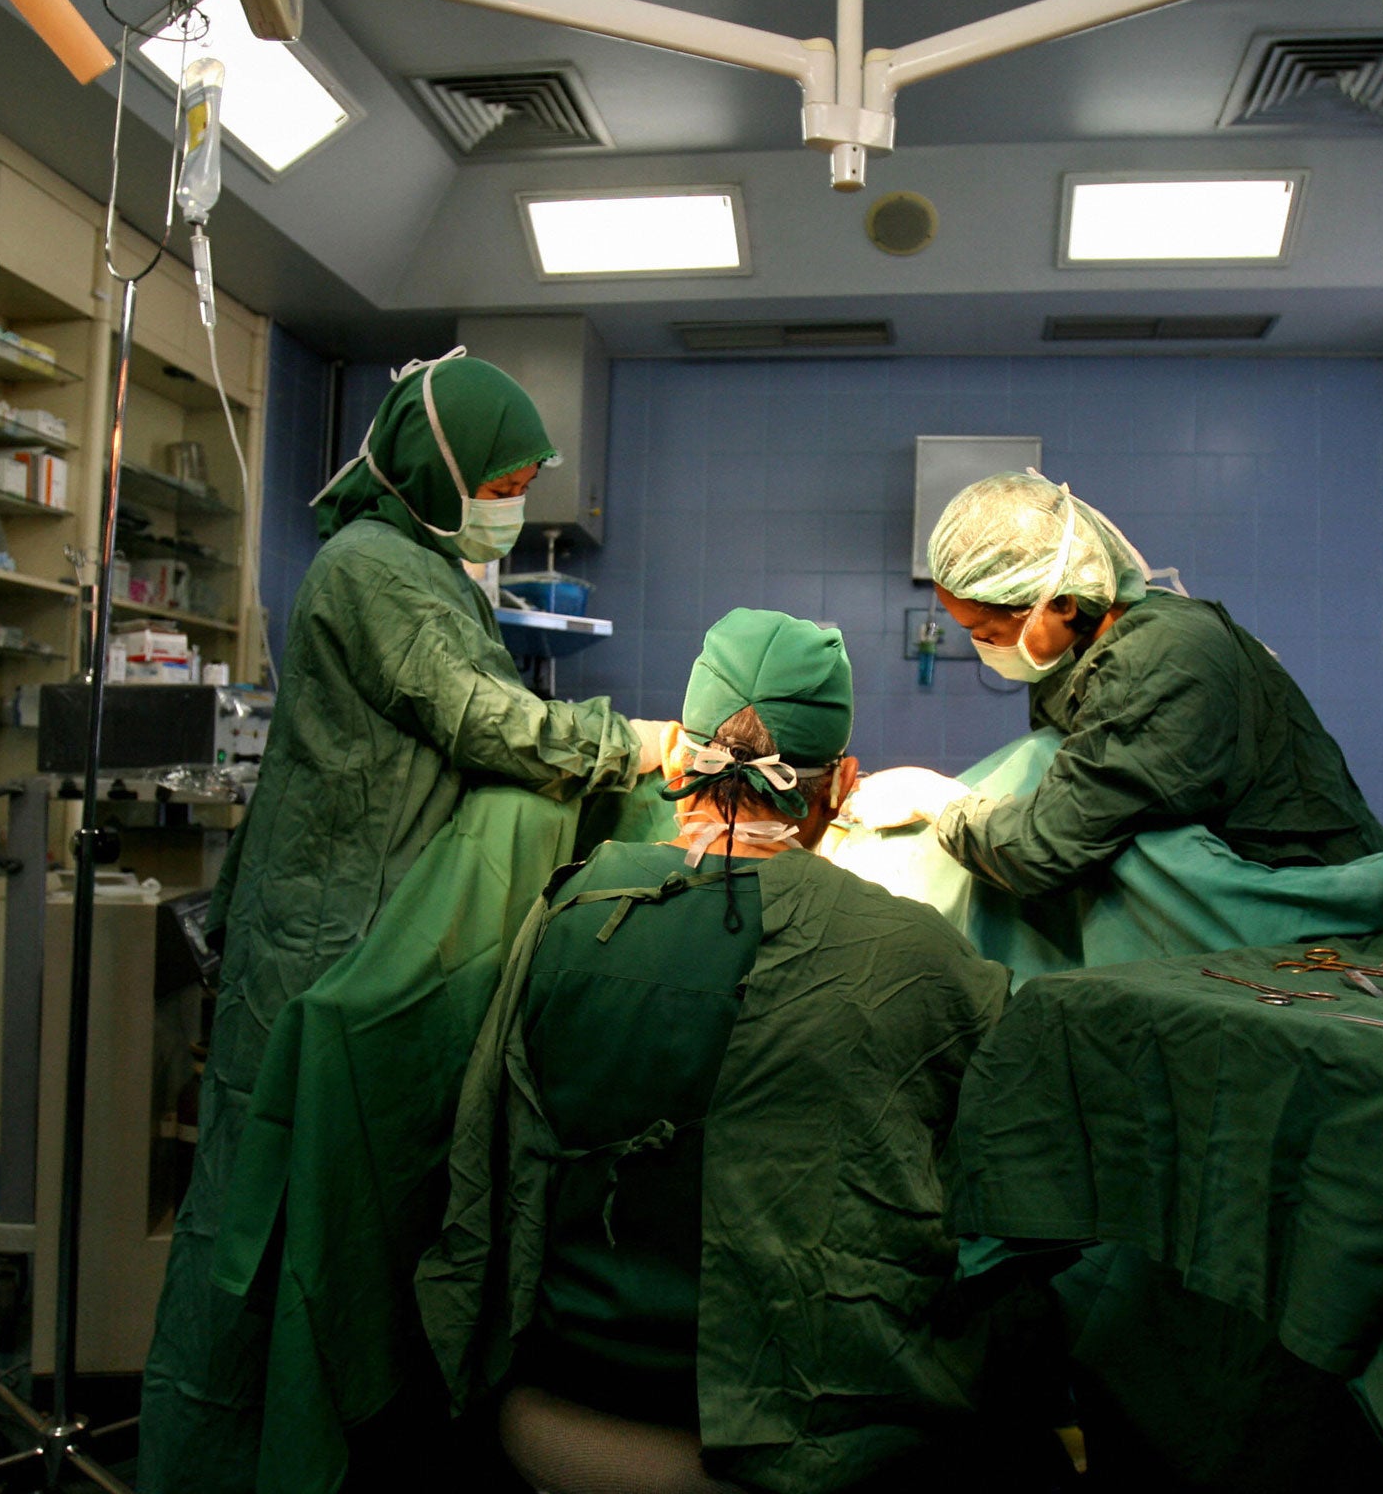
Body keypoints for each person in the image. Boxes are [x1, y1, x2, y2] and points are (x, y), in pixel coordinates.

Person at [140, 349, 670, 1494]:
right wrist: (639, 746)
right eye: (501, 480)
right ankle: (229, 1463)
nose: (509, 502)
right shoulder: (369, 565)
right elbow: (482, 718)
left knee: (347, 1225)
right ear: (440, 467)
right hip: (324, 941)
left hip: (382, 924)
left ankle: (337, 1445)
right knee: (268, 1220)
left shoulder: (431, 569)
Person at [415, 609, 1060, 1494]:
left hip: (561, 1397)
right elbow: (1022, 1197)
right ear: (842, 786)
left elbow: (486, 1170)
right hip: (806, 1435)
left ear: (681, 762)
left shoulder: (573, 911)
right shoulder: (915, 955)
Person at [909, 469, 1383, 897]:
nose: (985, 647)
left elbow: (1047, 847)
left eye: (989, 633)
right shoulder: (1075, 655)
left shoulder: (1163, 658)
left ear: (1063, 603)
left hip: (1305, 905)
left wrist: (936, 800)